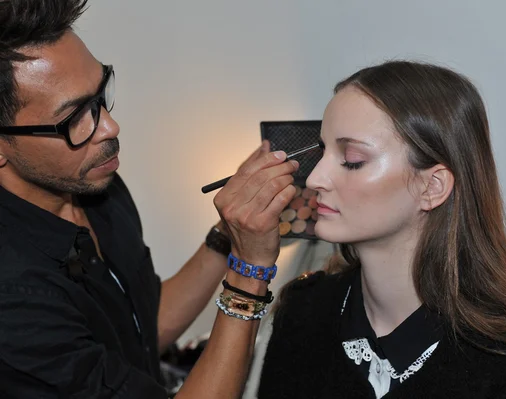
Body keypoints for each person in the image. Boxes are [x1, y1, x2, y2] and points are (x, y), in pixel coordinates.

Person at [0, 1, 298, 397]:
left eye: (101, 94)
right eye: (74, 118)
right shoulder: (15, 304)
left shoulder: (91, 182)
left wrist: (229, 230)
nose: (109, 126)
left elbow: (142, 328)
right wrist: (249, 270)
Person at [249, 61, 506, 398]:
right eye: (322, 152)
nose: (314, 179)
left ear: (432, 187)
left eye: (352, 159)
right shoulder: (304, 309)